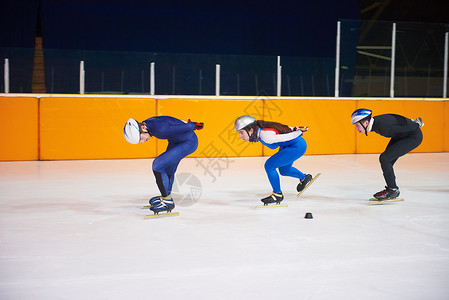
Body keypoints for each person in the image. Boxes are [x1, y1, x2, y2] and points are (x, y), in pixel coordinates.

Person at [123, 116, 204, 214]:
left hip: (188, 142)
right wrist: (186, 123)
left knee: (158, 165)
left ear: (143, 128)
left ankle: (167, 201)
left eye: (140, 138)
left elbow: (185, 127)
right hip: (177, 141)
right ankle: (166, 196)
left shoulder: (160, 130)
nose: (143, 141)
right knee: (168, 168)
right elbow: (171, 121)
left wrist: (193, 125)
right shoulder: (149, 123)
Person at [234, 115, 312, 205]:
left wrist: (298, 132)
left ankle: (277, 194)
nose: (240, 136)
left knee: (269, 165)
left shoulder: (264, 135)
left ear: (251, 130)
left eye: (241, 132)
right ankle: (304, 178)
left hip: (297, 146)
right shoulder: (260, 131)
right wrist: (294, 129)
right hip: (288, 146)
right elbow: (282, 130)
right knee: (284, 171)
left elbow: (286, 137)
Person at [351, 108, 424, 200]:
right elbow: (394, 117)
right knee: (386, 161)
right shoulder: (377, 122)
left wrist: (415, 124)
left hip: (413, 136)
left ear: (366, 123)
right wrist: (412, 121)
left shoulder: (383, 125)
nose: (356, 128)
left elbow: (397, 122)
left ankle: (393, 190)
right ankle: (391, 188)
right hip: (401, 135)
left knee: (385, 158)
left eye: (357, 125)